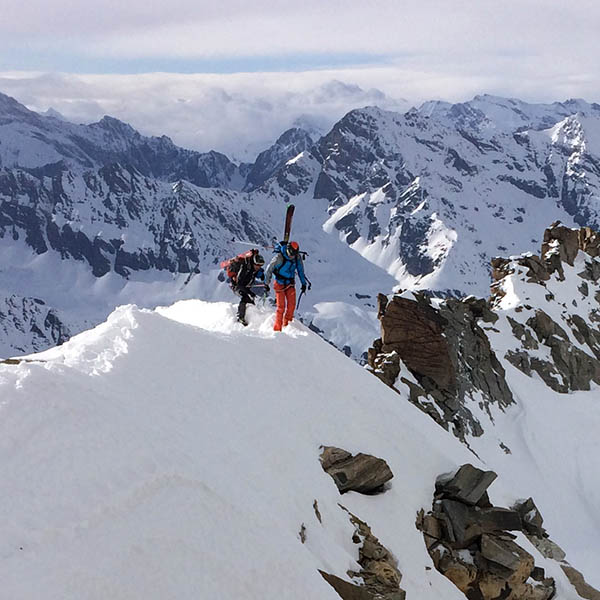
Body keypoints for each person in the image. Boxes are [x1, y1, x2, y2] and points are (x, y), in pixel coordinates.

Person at [264, 240, 307, 331]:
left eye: (294, 254)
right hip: (279, 284)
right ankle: (277, 329)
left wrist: (304, 283)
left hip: (290, 283)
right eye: (291, 254)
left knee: (291, 306)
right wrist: (266, 283)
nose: (292, 256)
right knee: (281, 307)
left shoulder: (297, 257)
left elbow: (300, 271)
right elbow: (269, 269)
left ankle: (287, 326)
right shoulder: (279, 258)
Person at [224, 249, 266, 326]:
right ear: (254, 263)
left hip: (246, 285)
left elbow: (256, 273)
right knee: (245, 298)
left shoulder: (253, 267)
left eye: (260, 266)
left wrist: (262, 276)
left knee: (250, 300)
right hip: (237, 286)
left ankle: (250, 317)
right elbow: (239, 284)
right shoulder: (244, 268)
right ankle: (240, 317)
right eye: (257, 265)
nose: (258, 267)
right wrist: (250, 292)